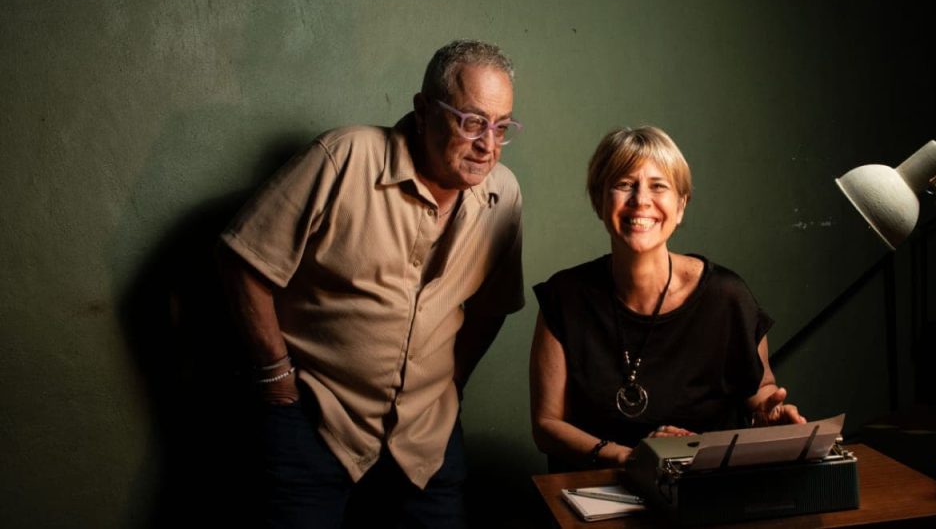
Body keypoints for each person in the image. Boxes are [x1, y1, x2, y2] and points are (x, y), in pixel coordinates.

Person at [219, 39, 525, 528]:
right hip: (315, 422)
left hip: (429, 436)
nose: (487, 144)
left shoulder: (503, 194)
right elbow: (244, 263)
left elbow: (492, 307)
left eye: (502, 127)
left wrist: (452, 382)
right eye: (472, 122)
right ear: (424, 110)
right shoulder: (344, 157)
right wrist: (276, 379)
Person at [529, 126, 804, 472]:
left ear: (681, 206)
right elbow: (546, 426)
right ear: (599, 201)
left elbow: (761, 390)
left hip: (704, 492)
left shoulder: (726, 296)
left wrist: (769, 414)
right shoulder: (564, 297)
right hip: (598, 495)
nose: (641, 200)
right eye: (624, 184)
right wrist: (630, 457)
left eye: (658, 186)